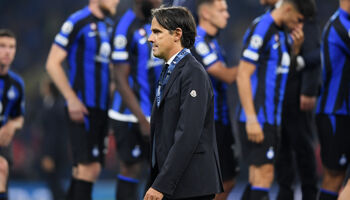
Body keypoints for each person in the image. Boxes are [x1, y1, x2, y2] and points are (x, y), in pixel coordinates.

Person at [236, 0, 315, 199]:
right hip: (259, 118)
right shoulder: (263, 28)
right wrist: (252, 119)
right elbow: (243, 74)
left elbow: (279, 74)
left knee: (257, 178)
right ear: (287, 8)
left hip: (271, 118)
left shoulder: (282, 33)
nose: (298, 26)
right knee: (264, 177)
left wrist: (296, 51)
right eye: (298, 20)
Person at [144, 6, 223, 200]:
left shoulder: (192, 73)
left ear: (177, 34)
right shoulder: (170, 71)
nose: (150, 38)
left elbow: (188, 134)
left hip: (191, 187)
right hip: (176, 184)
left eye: (156, 32)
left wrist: (161, 185)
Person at [45, 0, 119, 199]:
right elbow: (52, 63)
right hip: (83, 106)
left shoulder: (110, 26)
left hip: (101, 108)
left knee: (84, 170)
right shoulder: (77, 21)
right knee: (88, 168)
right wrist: (71, 99)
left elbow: (110, 70)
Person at [258, 0, 320, 200]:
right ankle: (285, 193)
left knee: (302, 145)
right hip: (275, 96)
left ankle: (310, 193)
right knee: (280, 146)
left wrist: (309, 90)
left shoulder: (299, 11)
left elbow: (315, 53)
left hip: (296, 93)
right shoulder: (269, 17)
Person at [109, 0, 162, 199]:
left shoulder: (158, 22)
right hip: (129, 115)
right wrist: (142, 119)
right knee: (130, 169)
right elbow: (120, 80)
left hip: (154, 113)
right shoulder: (124, 27)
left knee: (159, 169)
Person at [191, 0, 238, 199]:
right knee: (217, 183)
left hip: (221, 120)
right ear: (206, 14)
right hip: (207, 124)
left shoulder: (213, 41)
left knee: (227, 181)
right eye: (221, 10)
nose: (227, 14)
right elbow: (225, 75)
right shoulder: (196, 40)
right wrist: (253, 62)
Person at [315, 0, 350, 199]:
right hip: (336, 113)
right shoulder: (339, 25)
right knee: (334, 178)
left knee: (336, 179)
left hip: (342, 113)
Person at [0, 29, 25, 200]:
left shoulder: (17, 84)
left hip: (3, 142)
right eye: (2, 46)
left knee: (2, 170)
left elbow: (19, 118)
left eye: (11, 47)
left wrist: (11, 125)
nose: (7, 51)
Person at [40, 78, 70, 200]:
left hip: (55, 151)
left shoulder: (54, 107)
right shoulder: (54, 104)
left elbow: (53, 133)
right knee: (54, 183)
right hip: (58, 149)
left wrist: (49, 154)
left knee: (54, 182)